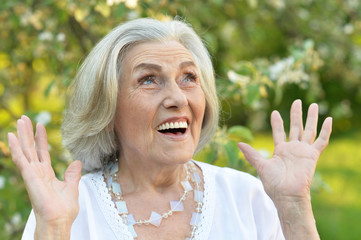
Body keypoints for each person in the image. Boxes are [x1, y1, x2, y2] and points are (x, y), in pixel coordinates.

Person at [7, 18, 332, 240]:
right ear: (107, 108)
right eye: (148, 80)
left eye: (189, 78)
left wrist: (294, 206)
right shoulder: (68, 209)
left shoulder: (247, 198)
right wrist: (53, 228)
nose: (178, 97)